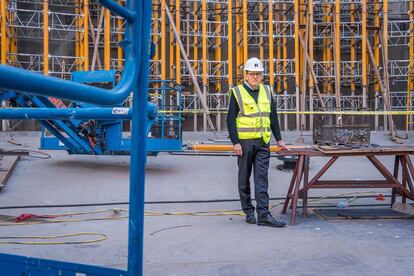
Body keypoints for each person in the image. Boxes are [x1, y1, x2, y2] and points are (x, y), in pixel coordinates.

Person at [227, 57, 288, 228]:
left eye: (258, 74)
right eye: (252, 74)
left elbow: (273, 116)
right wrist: (235, 142)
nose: (255, 77)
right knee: (244, 179)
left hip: (263, 142)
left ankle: (263, 215)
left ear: (262, 76)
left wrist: (279, 139)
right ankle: (248, 211)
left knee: (262, 179)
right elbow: (230, 120)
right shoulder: (237, 92)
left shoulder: (267, 91)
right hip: (245, 144)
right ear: (245, 75)